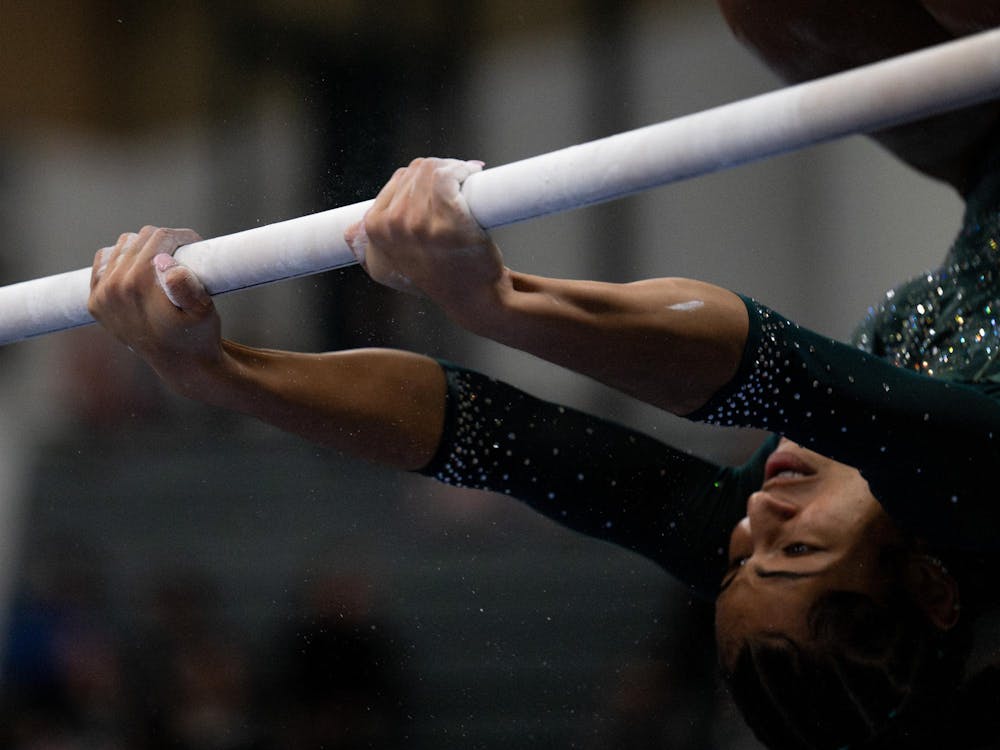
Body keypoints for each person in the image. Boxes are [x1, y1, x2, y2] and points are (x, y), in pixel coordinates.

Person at [86, 4, 1000, 749]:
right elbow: (768, 370)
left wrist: (216, 372)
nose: (756, 517)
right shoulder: (979, 496)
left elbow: (486, 436)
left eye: (740, 558)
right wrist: (499, 300)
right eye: (796, 549)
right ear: (933, 586)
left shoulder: (758, 523)